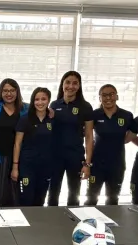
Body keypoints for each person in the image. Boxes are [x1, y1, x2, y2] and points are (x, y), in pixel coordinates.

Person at [84, 85, 135, 206]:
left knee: (112, 200)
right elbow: (89, 138)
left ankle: (110, 224)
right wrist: (87, 163)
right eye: (104, 95)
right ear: (99, 98)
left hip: (117, 164)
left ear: (117, 96)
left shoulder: (127, 115)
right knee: (91, 198)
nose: (108, 98)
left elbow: (131, 136)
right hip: (97, 164)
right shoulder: (94, 114)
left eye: (111, 94)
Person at [48, 71, 94, 206]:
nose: (71, 86)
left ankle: (72, 223)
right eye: (67, 82)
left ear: (79, 86)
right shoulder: (54, 105)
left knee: (74, 195)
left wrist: (87, 163)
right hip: (55, 156)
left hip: (75, 156)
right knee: (53, 193)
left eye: (75, 83)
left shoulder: (85, 107)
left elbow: (89, 136)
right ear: (62, 84)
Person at [0, 78, 28, 207]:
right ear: (0, 92)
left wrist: (50, 111)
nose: (8, 94)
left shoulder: (25, 108)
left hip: (18, 156)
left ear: (17, 92)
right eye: (5, 91)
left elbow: (42, 107)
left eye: (12, 90)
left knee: (14, 192)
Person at [11, 87, 54, 207]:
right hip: (27, 166)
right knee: (26, 199)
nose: (40, 102)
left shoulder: (52, 119)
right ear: (33, 101)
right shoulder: (25, 119)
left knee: (40, 200)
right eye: (37, 99)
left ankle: (37, 225)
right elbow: (17, 144)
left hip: (45, 167)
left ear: (49, 100)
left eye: (43, 99)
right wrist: (15, 167)